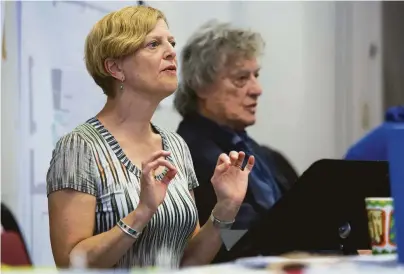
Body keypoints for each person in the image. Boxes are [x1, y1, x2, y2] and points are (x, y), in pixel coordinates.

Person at [46, 6, 255, 269]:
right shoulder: (79, 147)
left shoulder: (176, 146)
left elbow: (189, 260)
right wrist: (141, 213)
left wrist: (226, 207)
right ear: (115, 67)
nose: (171, 52)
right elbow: (70, 264)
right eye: (153, 44)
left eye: (171, 43)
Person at [174, 20, 298, 262]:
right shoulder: (186, 155)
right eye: (241, 78)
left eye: (256, 75)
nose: (257, 89)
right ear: (201, 86)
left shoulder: (268, 156)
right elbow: (233, 242)